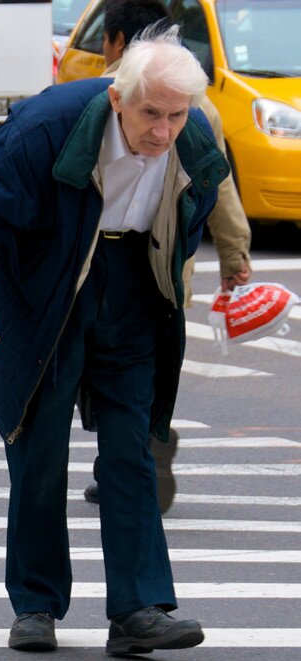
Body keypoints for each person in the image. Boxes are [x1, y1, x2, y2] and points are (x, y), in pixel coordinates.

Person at [0, 29, 226, 656]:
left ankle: (139, 609)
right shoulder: (47, 126)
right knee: (38, 446)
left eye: (176, 115)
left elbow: (192, 219)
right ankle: (36, 605)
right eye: (151, 114)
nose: (164, 131)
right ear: (119, 98)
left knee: (131, 447)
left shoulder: (192, 140)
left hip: (135, 291)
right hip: (46, 291)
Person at [83, 0, 252, 508]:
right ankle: (139, 454)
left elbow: (212, 182)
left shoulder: (105, 96)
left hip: (115, 270)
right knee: (141, 367)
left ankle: (140, 459)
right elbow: (220, 189)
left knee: (116, 369)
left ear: (115, 41)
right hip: (168, 269)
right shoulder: (196, 101)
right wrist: (233, 254)